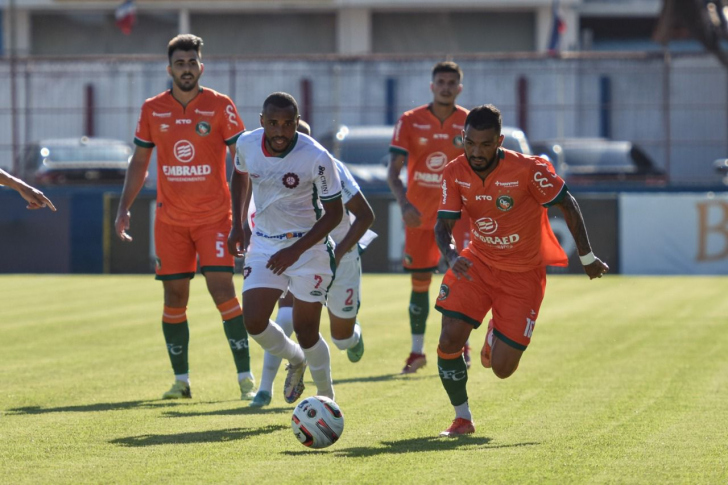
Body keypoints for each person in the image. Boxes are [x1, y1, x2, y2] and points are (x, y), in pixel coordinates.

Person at [433, 104, 609, 437]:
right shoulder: (455, 172)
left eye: (485, 144)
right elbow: (443, 226)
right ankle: (462, 418)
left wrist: (586, 257)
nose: (476, 151)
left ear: (499, 141)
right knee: (448, 339)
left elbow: (567, 204)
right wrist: (450, 253)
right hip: (477, 264)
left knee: (501, 369)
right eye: (470, 143)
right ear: (463, 138)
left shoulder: (528, 169)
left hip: (523, 275)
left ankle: (495, 331)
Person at [114, 34, 256, 401]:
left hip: (214, 219)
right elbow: (140, 162)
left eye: (192, 63)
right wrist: (123, 207)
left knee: (222, 290)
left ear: (201, 67)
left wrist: (240, 220)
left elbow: (242, 164)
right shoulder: (152, 109)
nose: (187, 69)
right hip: (171, 222)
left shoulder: (220, 106)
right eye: (180, 63)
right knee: (174, 297)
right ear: (170, 69)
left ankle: (245, 379)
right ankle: (181, 381)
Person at [248, 120, 376, 408]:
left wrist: (339, 253)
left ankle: (353, 337)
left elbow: (365, 216)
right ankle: (265, 389)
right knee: (283, 319)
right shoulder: (273, 167)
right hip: (297, 253)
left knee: (340, 339)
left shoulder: (330, 168)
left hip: (339, 255)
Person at [228, 93, 344, 404]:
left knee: (307, 331)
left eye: (288, 124)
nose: (281, 131)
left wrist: (296, 250)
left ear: (297, 123)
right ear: (262, 121)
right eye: (274, 123)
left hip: (310, 247)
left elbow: (335, 213)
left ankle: (326, 399)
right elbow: (239, 176)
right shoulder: (246, 144)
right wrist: (237, 224)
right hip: (265, 242)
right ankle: (296, 359)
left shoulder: (317, 156)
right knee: (253, 321)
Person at [387, 61, 472, 374]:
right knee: (420, 283)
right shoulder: (410, 121)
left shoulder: (469, 122)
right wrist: (404, 205)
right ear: (432, 86)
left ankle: (461, 345)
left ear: (459, 88)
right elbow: (393, 173)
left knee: (460, 280)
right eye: (441, 81)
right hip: (421, 217)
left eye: (452, 82)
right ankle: (417, 351)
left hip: (458, 217)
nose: (446, 86)